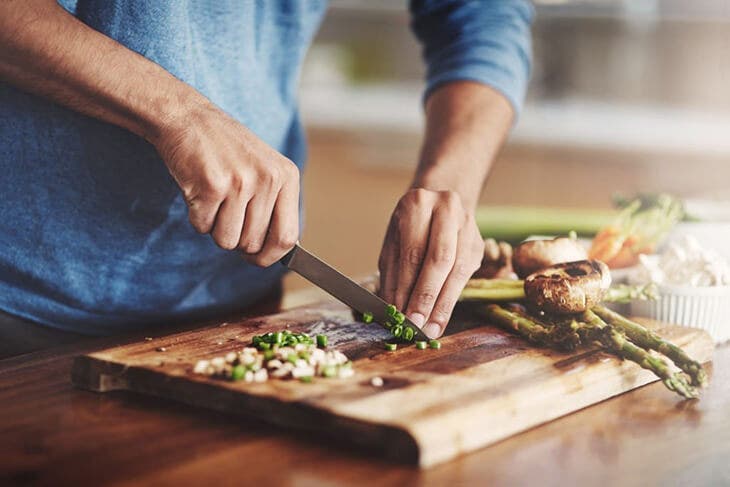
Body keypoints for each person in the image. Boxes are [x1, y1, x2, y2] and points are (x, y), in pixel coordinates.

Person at [0, 0, 533, 358]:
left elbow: (483, 13)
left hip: (238, 305)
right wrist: (181, 116)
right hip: (23, 303)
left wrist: (452, 185)